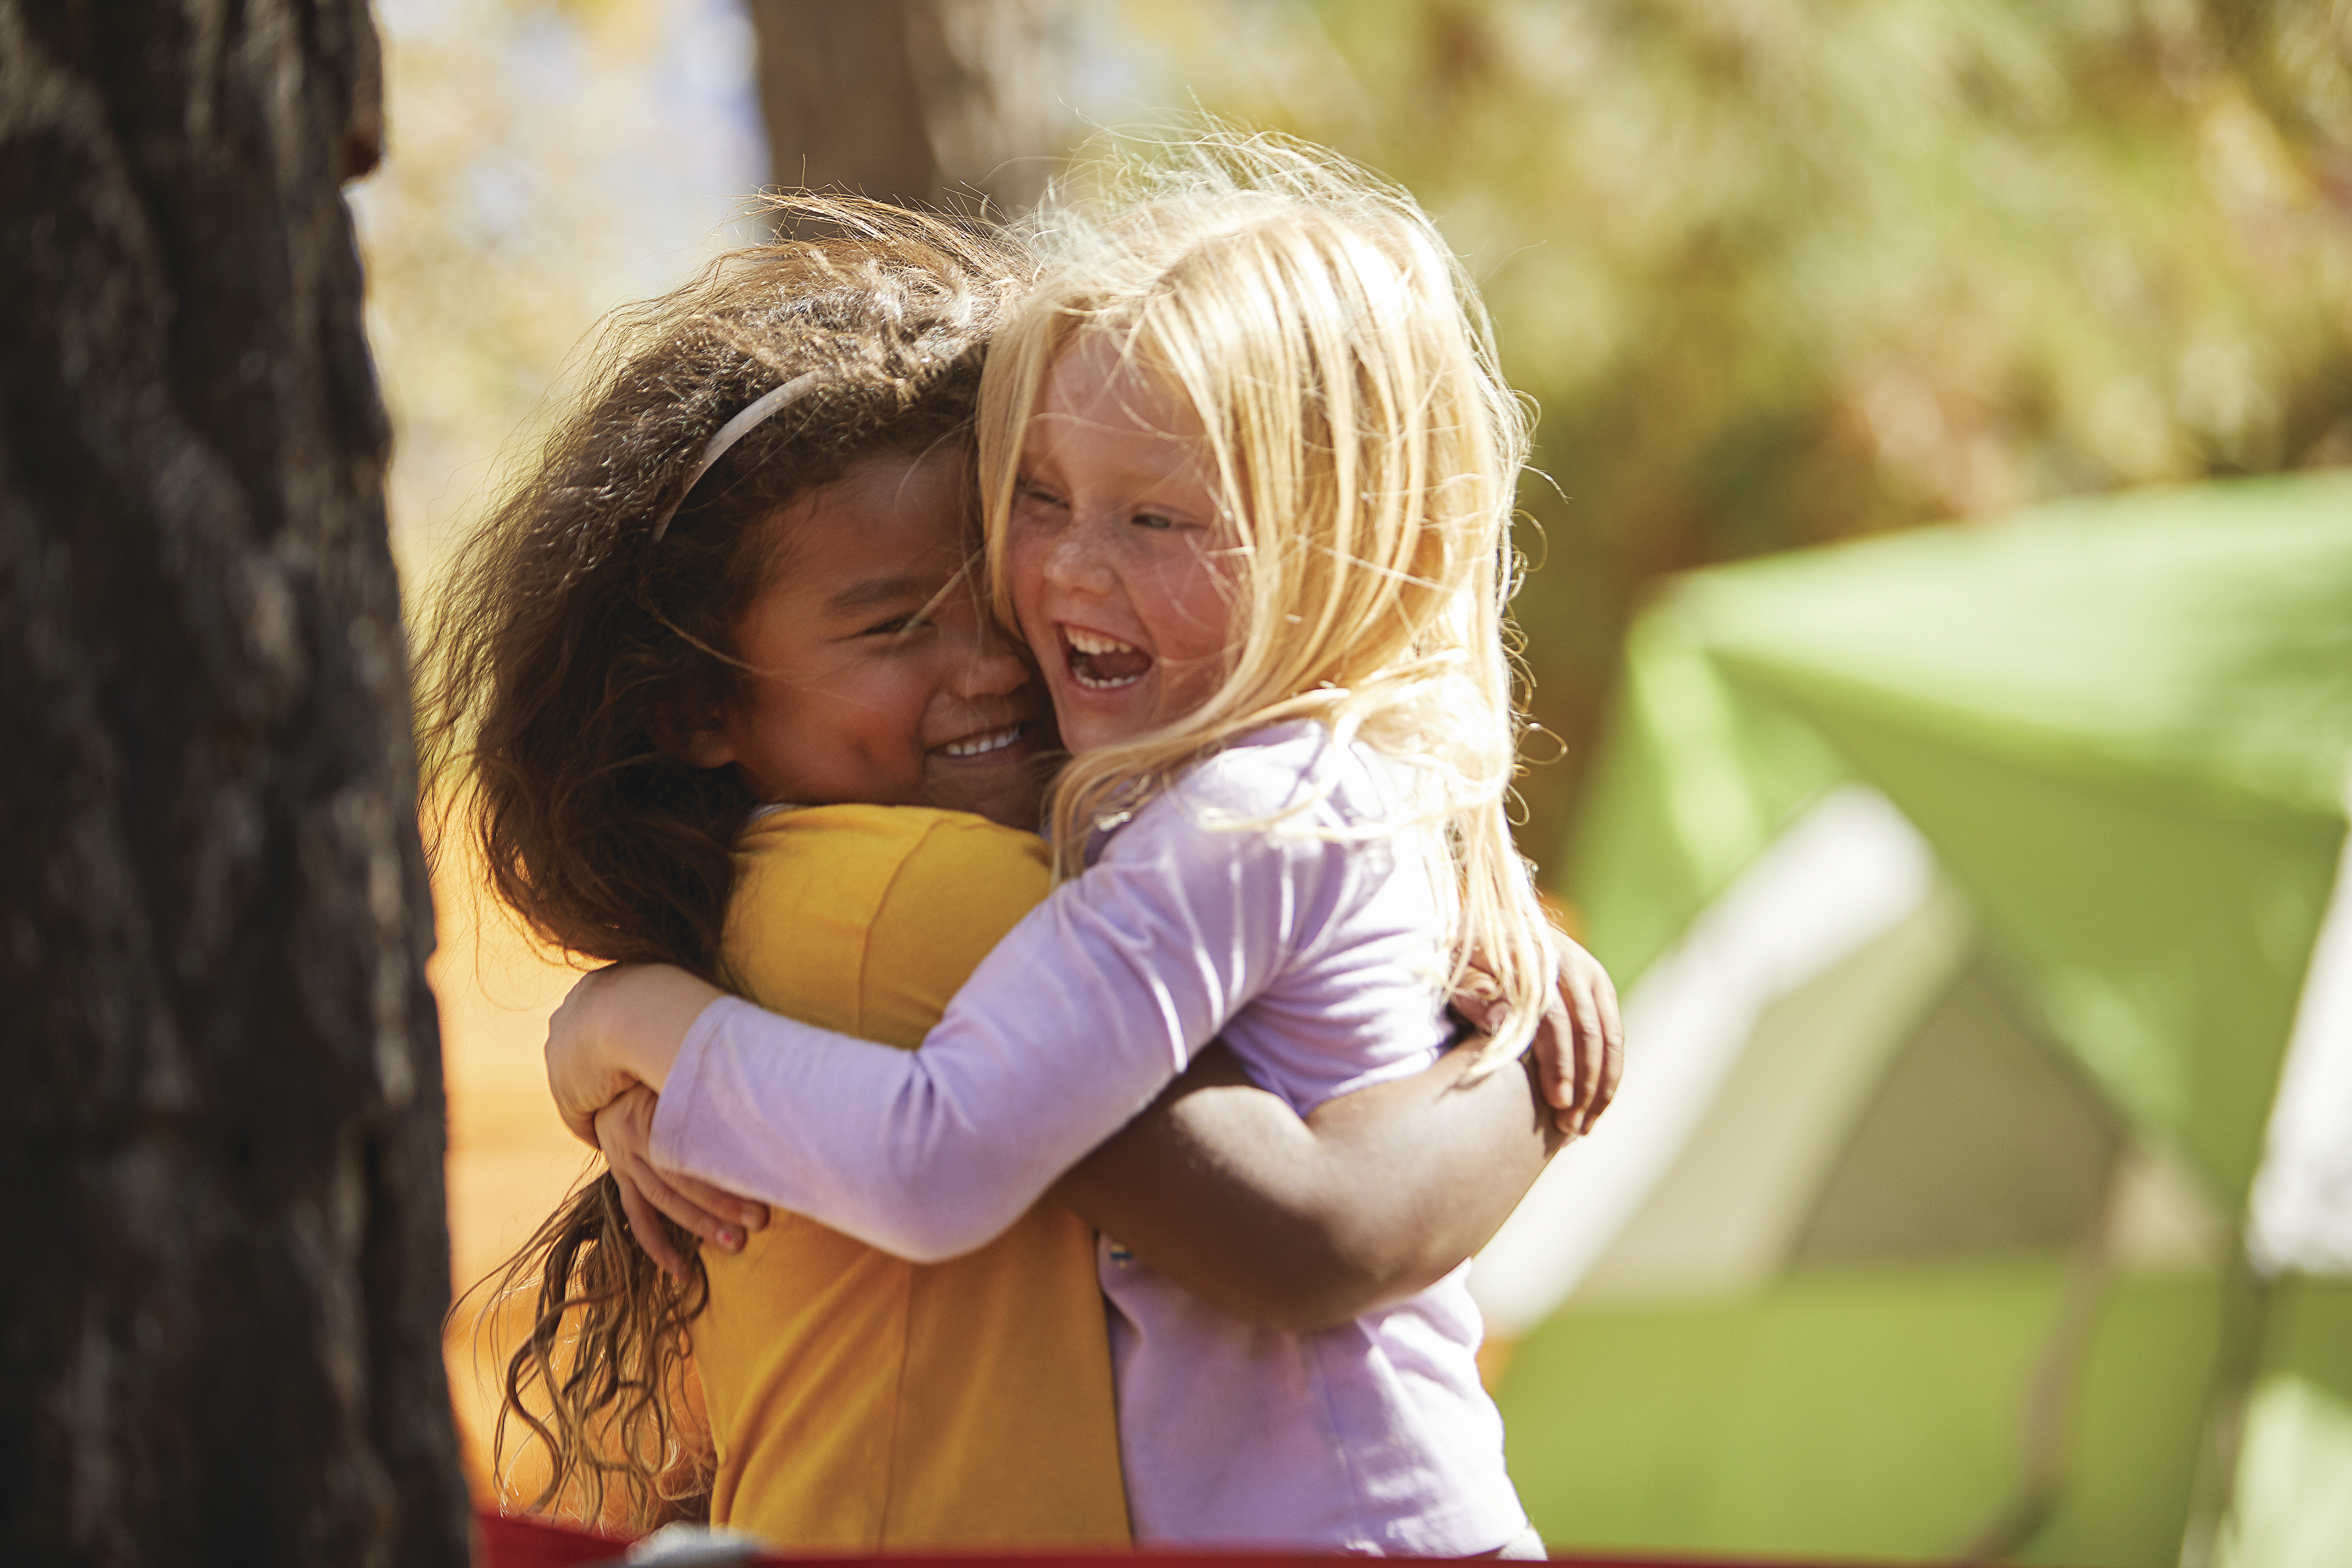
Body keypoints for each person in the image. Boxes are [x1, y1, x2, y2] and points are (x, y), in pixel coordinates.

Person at [421, 195, 1616, 1548]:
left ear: (1335, 546)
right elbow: (1315, 1224)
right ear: (696, 706)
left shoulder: (1164, 831)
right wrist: (1532, 1066)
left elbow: (1308, 1232)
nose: (1023, 630)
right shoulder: (943, 894)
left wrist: (634, 1022)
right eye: (1042, 505)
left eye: (1155, 520)